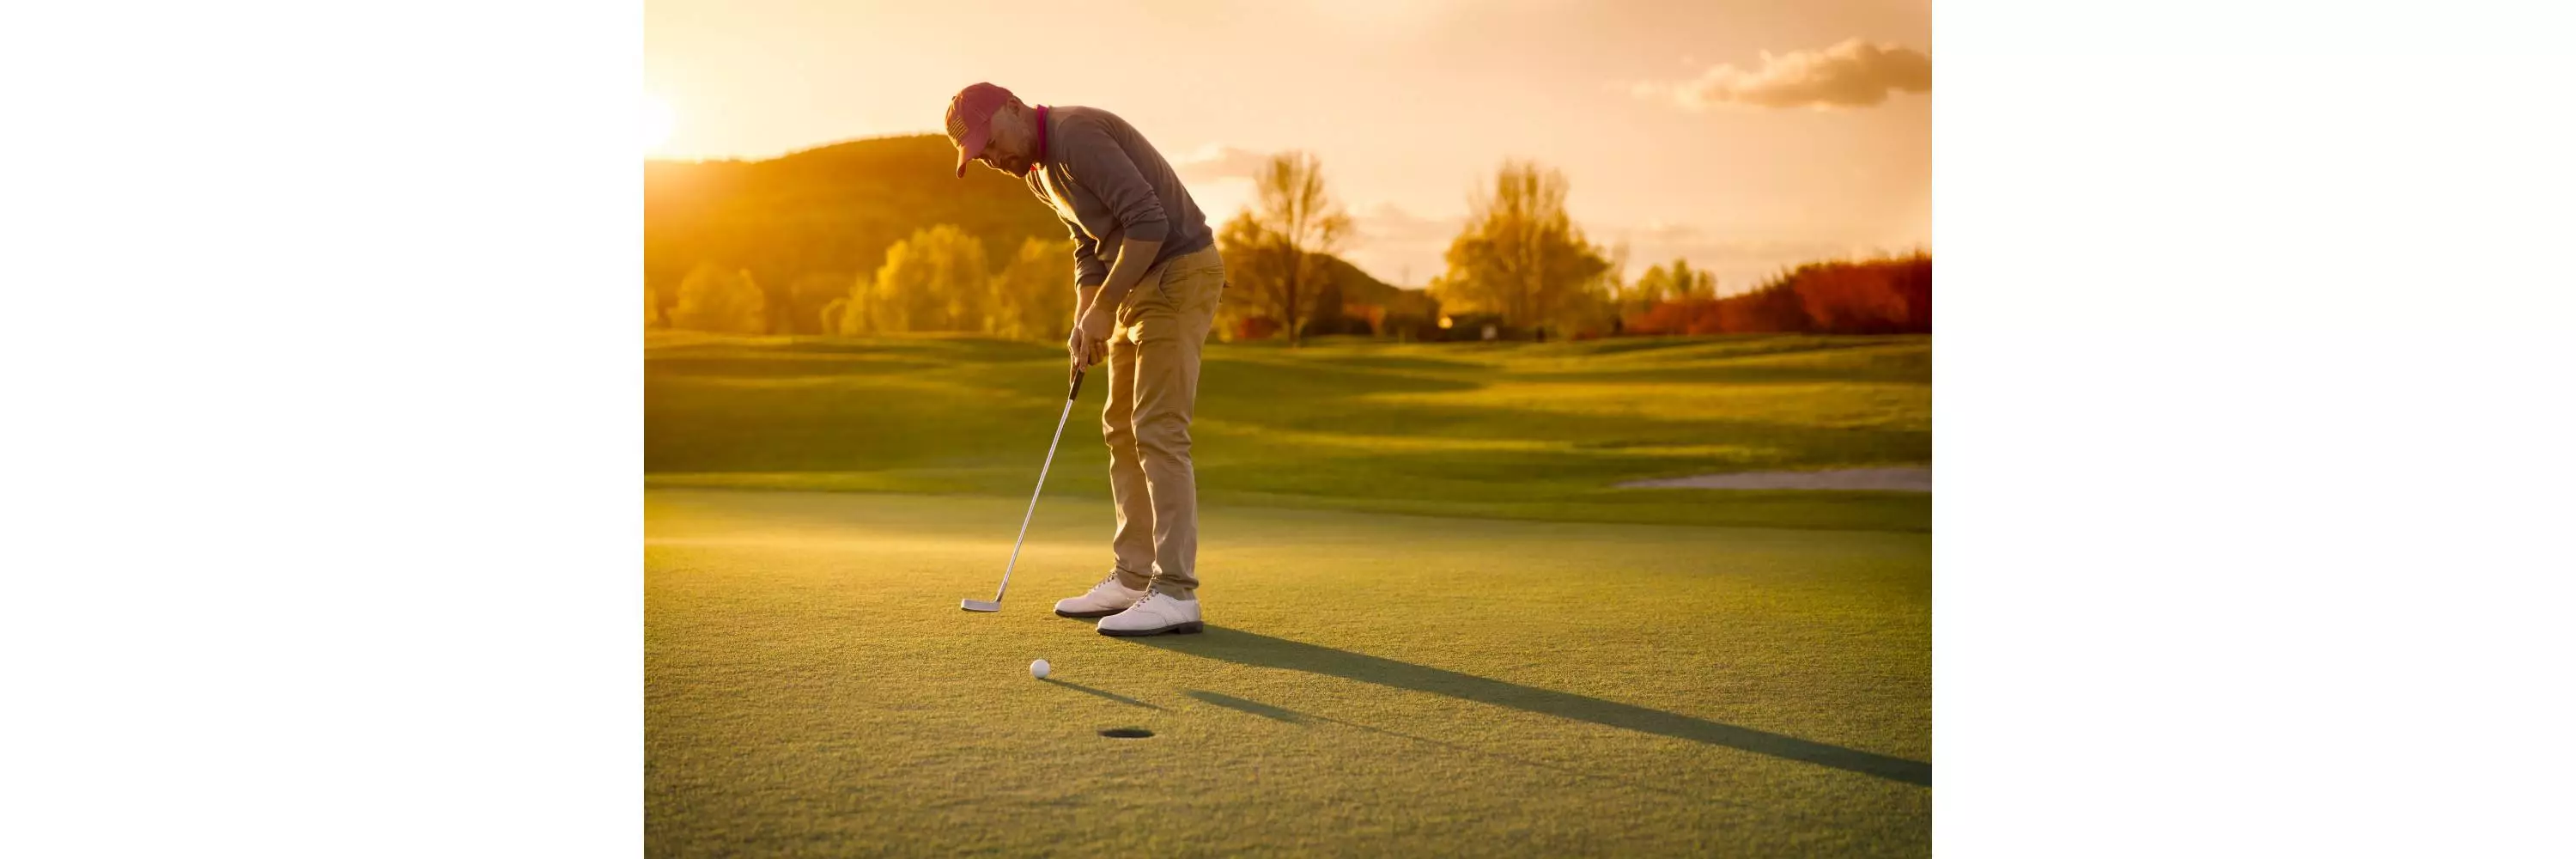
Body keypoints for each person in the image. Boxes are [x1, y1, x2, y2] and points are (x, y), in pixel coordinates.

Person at [947, 82, 1225, 637]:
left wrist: (1104, 309)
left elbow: (1150, 223)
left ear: (1013, 108)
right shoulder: (1035, 171)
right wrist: (1084, 318)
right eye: (980, 155)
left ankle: (1175, 592)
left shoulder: (1076, 134)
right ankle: (1131, 576)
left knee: (1158, 428)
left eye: (991, 142)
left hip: (1177, 271)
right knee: (1120, 429)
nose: (994, 160)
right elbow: (1087, 247)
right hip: (1136, 282)